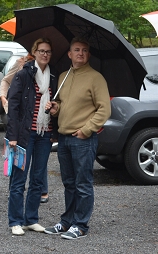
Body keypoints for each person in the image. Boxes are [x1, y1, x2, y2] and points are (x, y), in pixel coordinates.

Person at [46, 38, 111, 240]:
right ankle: (67, 221)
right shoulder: (64, 76)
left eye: (84, 50)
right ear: (69, 54)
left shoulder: (96, 78)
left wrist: (87, 129)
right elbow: (63, 105)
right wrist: (55, 109)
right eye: (76, 50)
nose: (80, 53)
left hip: (83, 139)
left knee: (83, 183)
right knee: (69, 183)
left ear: (88, 55)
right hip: (64, 138)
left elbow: (104, 109)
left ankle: (81, 225)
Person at [5, 39, 57, 235]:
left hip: (44, 134)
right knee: (19, 180)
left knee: (37, 179)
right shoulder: (23, 74)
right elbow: (13, 106)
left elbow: (57, 103)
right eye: (41, 51)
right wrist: (13, 136)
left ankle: (31, 219)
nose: (45, 54)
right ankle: (15, 221)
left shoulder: (54, 77)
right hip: (24, 134)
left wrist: (54, 107)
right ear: (34, 52)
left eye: (48, 51)